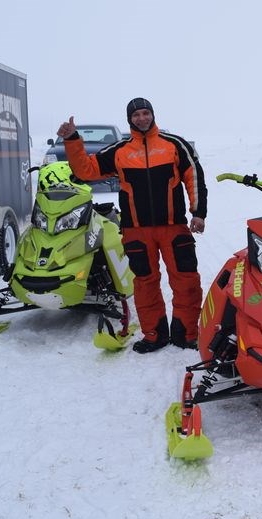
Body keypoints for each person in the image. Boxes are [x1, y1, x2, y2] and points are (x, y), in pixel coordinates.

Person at [56, 98, 207, 353]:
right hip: (136, 231)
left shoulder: (174, 145)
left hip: (173, 228)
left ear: (153, 115)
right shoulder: (120, 151)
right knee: (145, 284)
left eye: (146, 113)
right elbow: (86, 170)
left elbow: (194, 177)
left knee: (186, 281)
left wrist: (198, 212)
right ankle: (154, 335)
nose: (142, 118)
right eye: (136, 115)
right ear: (130, 119)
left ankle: (187, 333)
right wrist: (72, 139)